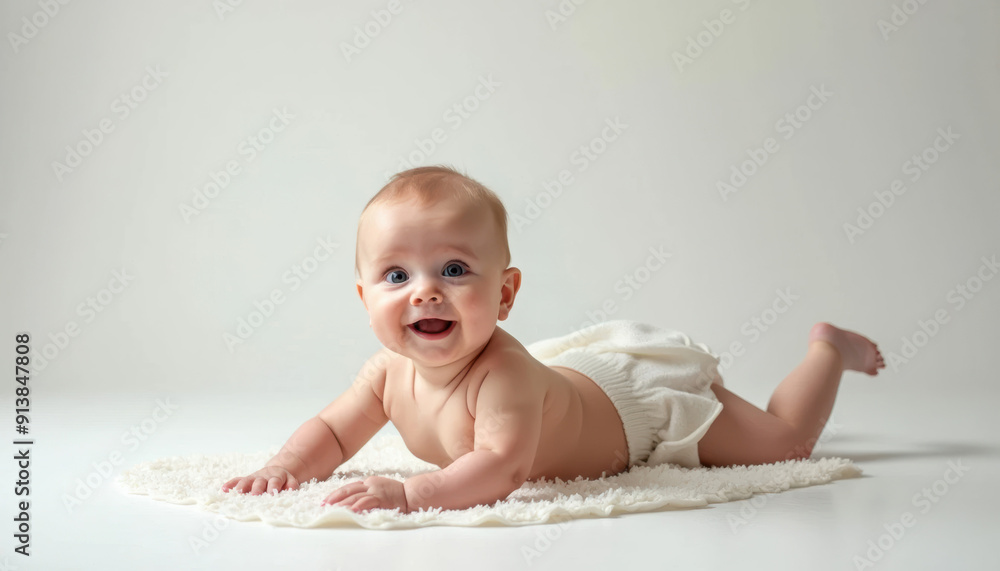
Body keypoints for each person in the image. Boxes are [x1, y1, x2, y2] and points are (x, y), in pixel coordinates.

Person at [222, 165, 884, 513]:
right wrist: (286, 466)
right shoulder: (385, 375)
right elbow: (334, 433)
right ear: (366, 298)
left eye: (455, 270)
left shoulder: (501, 374)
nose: (425, 290)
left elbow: (503, 466)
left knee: (782, 444)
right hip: (573, 379)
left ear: (505, 293)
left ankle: (827, 351)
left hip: (638, 411)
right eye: (397, 274)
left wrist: (412, 493)